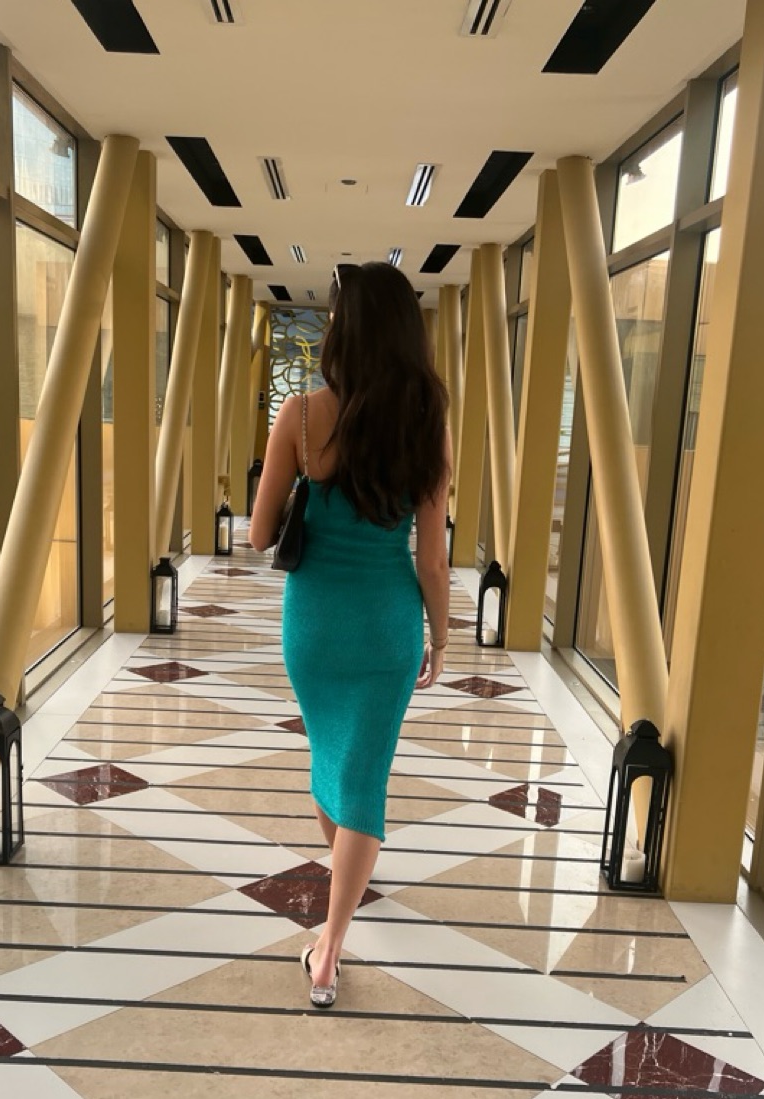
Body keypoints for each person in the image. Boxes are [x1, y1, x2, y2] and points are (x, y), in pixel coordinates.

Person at [249, 261, 451, 1008]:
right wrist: (441, 636)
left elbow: (259, 534)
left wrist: (310, 487)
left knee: (332, 757)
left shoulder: (301, 416)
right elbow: (432, 558)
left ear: (342, 330)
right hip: (386, 626)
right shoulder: (428, 422)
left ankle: (335, 912)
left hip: (314, 626)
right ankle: (331, 946)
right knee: (363, 768)